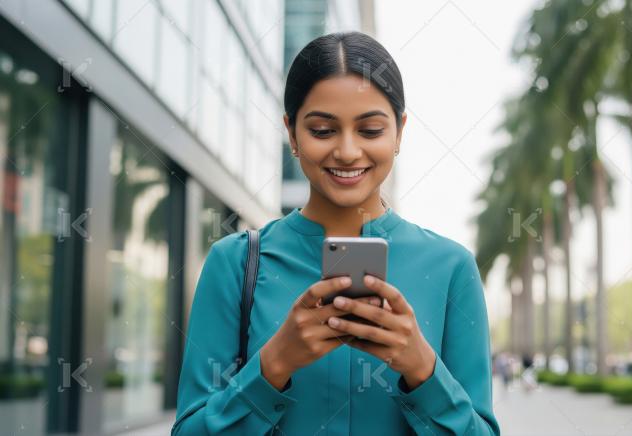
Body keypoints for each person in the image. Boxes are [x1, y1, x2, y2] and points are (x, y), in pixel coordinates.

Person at [171, 32, 500, 435]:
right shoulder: (235, 263)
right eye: (323, 130)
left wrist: (422, 370)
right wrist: (274, 364)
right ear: (292, 134)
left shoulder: (451, 268)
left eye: (370, 130)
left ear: (399, 132)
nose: (346, 152)